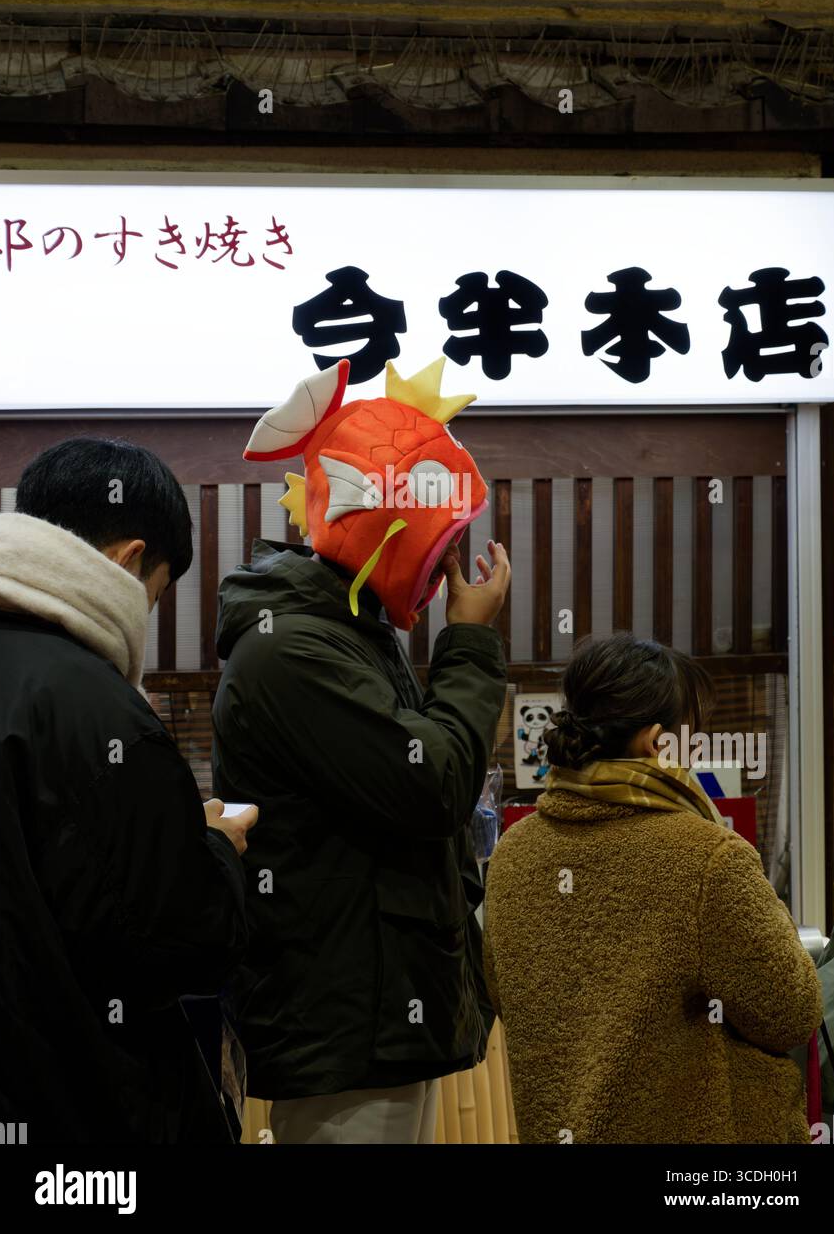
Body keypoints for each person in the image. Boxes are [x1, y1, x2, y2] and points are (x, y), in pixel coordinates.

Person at [212, 357, 510, 1143]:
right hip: (344, 1023)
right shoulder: (298, 652)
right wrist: (471, 641)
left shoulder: (340, 636)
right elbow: (435, 782)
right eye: (439, 534)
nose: (447, 559)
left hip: (367, 1014)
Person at [0, 437, 257, 1144]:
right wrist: (213, 850)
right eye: (157, 595)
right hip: (77, 1114)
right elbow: (179, 943)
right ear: (127, 560)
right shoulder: (94, 706)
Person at [483, 632, 822, 1144]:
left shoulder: (513, 852)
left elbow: (506, 995)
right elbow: (791, 1011)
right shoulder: (706, 858)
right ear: (657, 741)